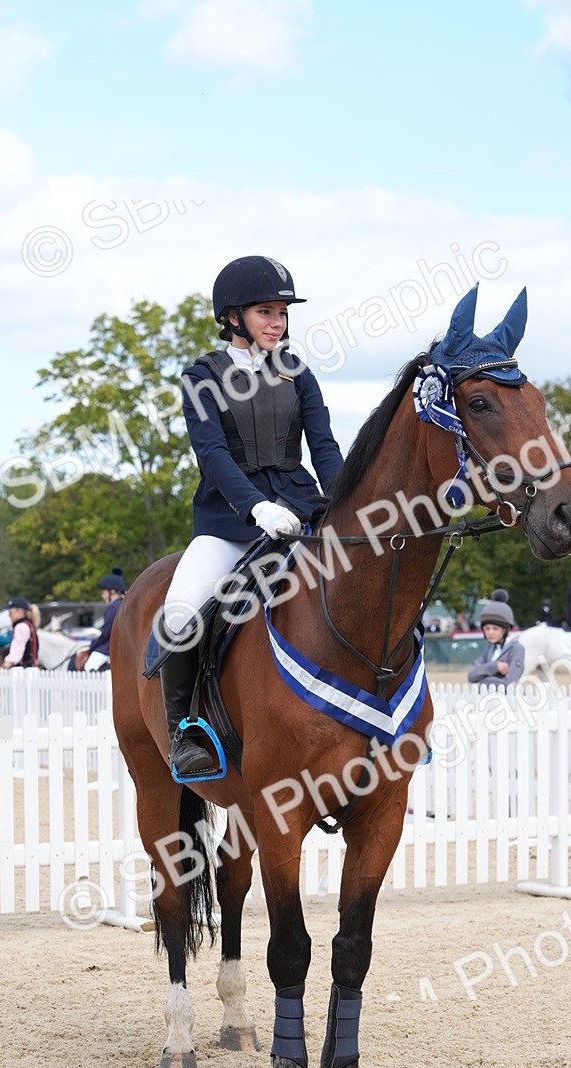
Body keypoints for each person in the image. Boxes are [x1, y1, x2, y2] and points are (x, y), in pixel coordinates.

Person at [161, 255, 345, 778]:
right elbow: (213, 455)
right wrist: (256, 507)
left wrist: (345, 500)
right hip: (230, 522)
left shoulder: (297, 373)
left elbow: (324, 447)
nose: (278, 322)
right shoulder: (202, 377)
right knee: (179, 613)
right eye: (266, 311)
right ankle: (186, 734)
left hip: (301, 511)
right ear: (233, 317)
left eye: (283, 313)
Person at [467, 589, 525, 688]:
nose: (490, 633)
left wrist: (484, 680)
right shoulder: (489, 648)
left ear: (506, 629)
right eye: (487, 628)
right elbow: (472, 676)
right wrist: (495, 666)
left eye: (495, 629)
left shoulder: (517, 649)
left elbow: (509, 684)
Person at [83, 568, 127, 672]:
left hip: (109, 647)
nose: (102, 596)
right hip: (124, 646)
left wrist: (94, 645)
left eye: (104, 592)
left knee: (89, 666)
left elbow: (106, 632)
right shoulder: (125, 604)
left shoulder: (113, 607)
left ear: (112, 591)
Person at [1, 597, 39, 668]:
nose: (9, 615)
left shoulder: (21, 627)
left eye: (10, 612)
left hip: (21, 671)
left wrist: (5, 666)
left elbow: (17, 651)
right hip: (30, 669)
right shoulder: (28, 625)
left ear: (18, 611)